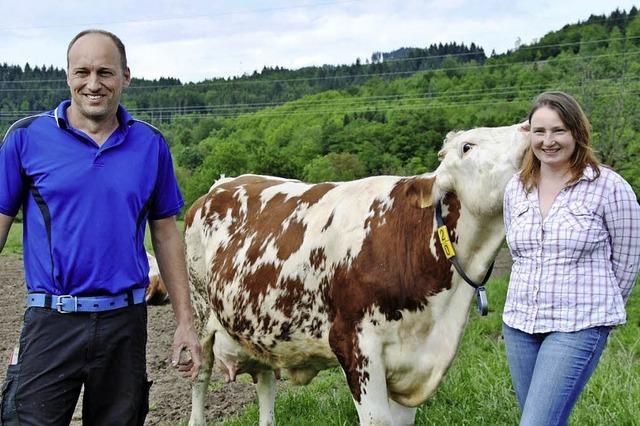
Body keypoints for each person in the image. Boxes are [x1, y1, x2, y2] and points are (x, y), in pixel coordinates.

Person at [0, 29, 202, 425]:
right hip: (51, 320)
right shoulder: (26, 138)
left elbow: (165, 233)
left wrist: (185, 322)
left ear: (125, 76)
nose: (94, 84)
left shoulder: (151, 145)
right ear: (68, 76)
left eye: (105, 73)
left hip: (124, 324)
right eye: (83, 72)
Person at [502, 91, 640, 425]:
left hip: (577, 325)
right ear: (530, 136)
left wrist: (599, 313)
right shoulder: (516, 189)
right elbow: (520, 254)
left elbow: (627, 258)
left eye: (558, 130)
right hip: (519, 325)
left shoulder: (608, 186)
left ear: (577, 132)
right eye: (540, 132)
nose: (548, 141)